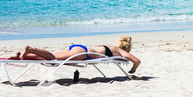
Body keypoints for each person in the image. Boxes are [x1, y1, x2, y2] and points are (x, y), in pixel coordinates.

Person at [8, 36, 141, 74]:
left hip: (79, 47)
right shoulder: (120, 51)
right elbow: (137, 61)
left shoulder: (110, 46)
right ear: (127, 48)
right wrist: (133, 69)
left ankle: (21, 56)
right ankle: (31, 49)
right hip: (83, 54)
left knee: (52, 57)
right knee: (53, 59)